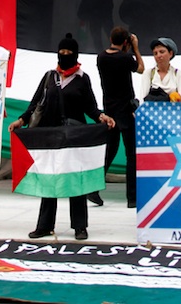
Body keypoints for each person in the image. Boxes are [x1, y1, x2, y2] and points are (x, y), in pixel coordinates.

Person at [8, 33, 115, 241]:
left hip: (74, 137)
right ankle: (45, 225)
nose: (64, 56)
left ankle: (80, 226)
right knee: (50, 179)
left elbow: (90, 107)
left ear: (75, 55)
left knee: (76, 181)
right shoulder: (50, 76)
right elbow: (35, 102)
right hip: (50, 136)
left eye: (69, 53)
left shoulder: (82, 79)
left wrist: (102, 117)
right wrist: (21, 120)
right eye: (62, 52)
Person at [95, 27, 144, 208]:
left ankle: (93, 188)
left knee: (109, 151)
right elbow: (140, 69)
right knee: (131, 154)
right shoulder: (125, 58)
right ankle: (132, 197)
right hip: (126, 110)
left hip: (109, 110)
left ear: (110, 38)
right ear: (126, 42)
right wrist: (136, 49)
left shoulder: (101, 57)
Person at [140, 37, 181, 102]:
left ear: (170, 53)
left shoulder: (178, 74)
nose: (158, 55)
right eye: (155, 53)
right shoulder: (149, 73)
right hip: (153, 111)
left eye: (162, 52)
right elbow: (142, 99)